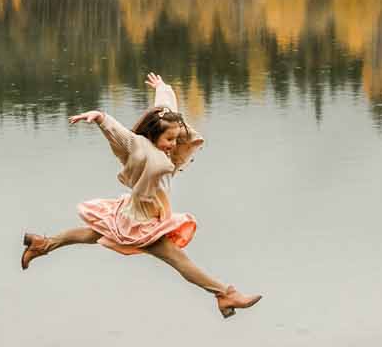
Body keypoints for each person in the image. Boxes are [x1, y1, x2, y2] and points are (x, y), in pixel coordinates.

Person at [20, 72, 260, 318]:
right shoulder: (140, 147)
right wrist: (101, 118)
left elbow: (165, 108)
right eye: (169, 139)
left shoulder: (164, 135)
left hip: (146, 212)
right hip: (141, 220)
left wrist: (162, 87)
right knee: (179, 260)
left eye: (176, 139)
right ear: (154, 135)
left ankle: (43, 244)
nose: (174, 144)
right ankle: (224, 294)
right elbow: (121, 135)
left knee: (94, 232)